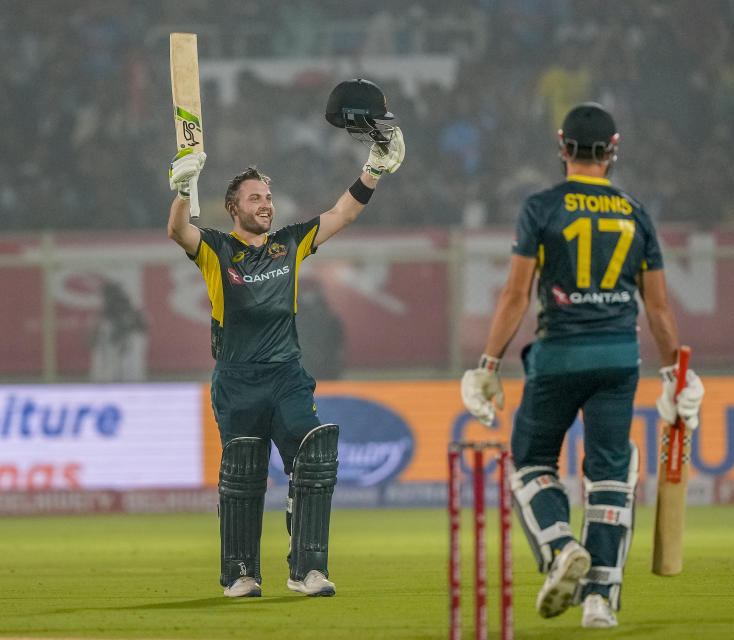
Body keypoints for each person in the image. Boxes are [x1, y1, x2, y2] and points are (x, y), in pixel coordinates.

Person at [460, 103, 704, 628]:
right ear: (612, 151)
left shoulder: (541, 207)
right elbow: (658, 307)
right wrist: (673, 375)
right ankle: (600, 601)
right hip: (619, 357)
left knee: (530, 463)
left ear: (562, 147)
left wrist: (488, 363)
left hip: (559, 356)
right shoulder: (635, 211)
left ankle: (560, 548)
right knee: (611, 474)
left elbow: (515, 294)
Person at [166, 80, 405, 599]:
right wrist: (184, 187)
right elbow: (178, 232)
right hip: (237, 379)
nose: (266, 205)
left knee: (315, 457)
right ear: (233, 207)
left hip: (286, 375)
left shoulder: (291, 243)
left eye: (269, 197)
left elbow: (342, 212)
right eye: (256, 198)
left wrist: (374, 168)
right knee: (244, 475)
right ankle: (240, 575)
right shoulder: (216, 249)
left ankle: (308, 570)